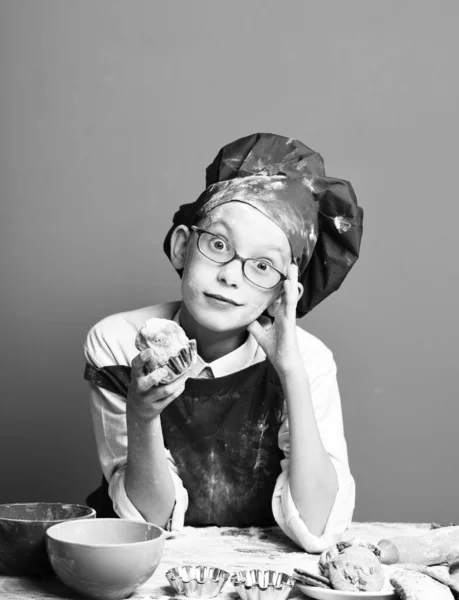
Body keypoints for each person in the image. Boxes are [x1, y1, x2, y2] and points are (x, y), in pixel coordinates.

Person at [83, 132, 364, 553]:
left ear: (286, 292)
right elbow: (149, 522)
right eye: (218, 244)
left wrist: (291, 372)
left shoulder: (308, 359)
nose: (232, 275)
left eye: (263, 265)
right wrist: (142, 416)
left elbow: (317, 527)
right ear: (182, 247)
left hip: (260, 565)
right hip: (141, 562)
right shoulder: (120, 344)